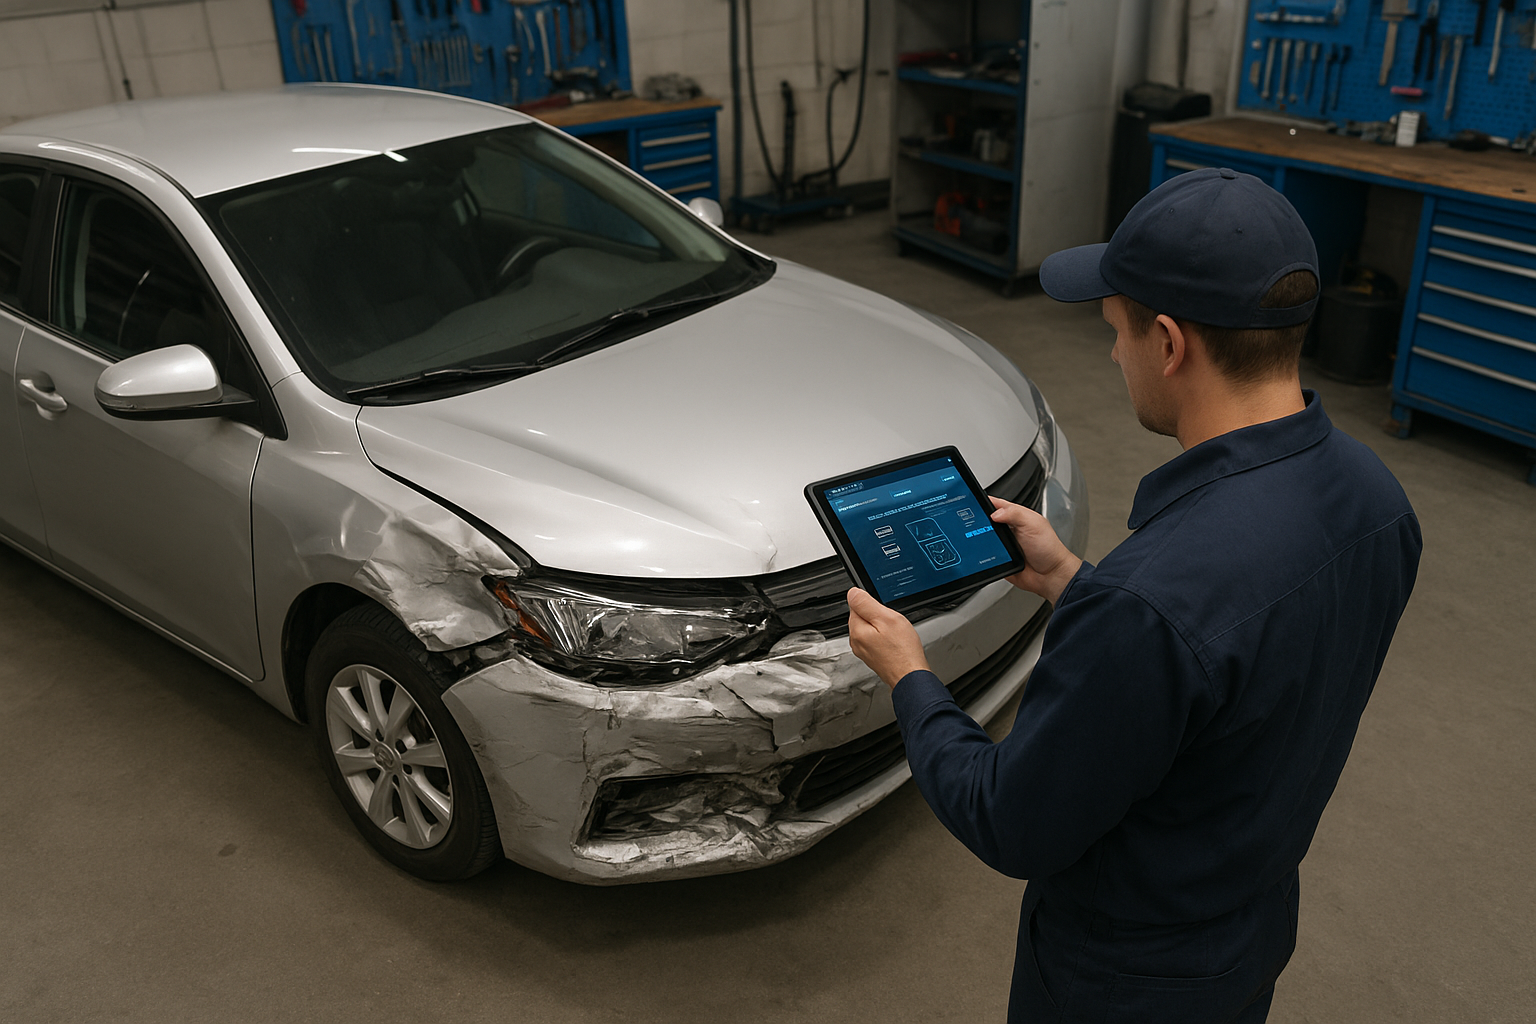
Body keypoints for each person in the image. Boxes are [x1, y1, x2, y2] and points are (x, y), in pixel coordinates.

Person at [847, 168, 1422, 1023]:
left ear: (1169, 342)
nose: (1113, 354)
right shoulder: (1380, 503)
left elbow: (1009, 819)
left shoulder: (1151, 603)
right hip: (1246, 933)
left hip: (1118, 984)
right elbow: (1240, 677)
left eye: (1115, 331)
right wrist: (1074, 583)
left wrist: (909, 677)